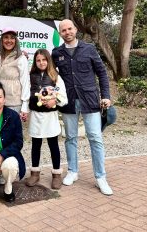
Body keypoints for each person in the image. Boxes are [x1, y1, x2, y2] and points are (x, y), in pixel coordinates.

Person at [51, 19, 113, 196]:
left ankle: (100, 177)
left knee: (95, 137)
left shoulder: (89, 49)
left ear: (75, 30)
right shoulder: (57, 53)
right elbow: (50, 73)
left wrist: (106, 96)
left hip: (90, 99)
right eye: (63, 30)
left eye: (70, 28)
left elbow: (101, 72)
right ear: (60, 33)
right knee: (70, 137)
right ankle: (72, 171)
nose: (67, 32)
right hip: (69, 102)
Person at [25, 49, 68, 189]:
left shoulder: (55, 76)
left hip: (51, 118)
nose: (41, 62)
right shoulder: (30, 76)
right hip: (36, 117)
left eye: (44, 60)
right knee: (35, 145)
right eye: (38, 60)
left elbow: (63, 96)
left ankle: (56, 175)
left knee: (53, 146)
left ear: (48, 60)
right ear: (35, 62)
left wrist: (54, 102)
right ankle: (35, 173)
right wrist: (25, 110)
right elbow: (26, 94)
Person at [0, 27, 30, 121]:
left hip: (14, 104)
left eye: (12, 38)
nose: (9, 40)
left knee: (12, 134)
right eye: (6, 37)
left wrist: (25, 106)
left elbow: (25, 82)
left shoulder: (21, 58)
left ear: (16, 40)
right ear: (2, 40)